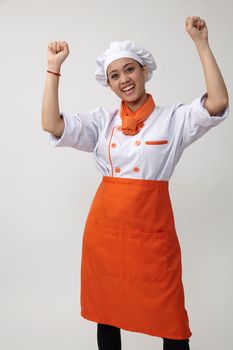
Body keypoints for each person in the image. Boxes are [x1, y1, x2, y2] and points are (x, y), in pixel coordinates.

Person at [41, 16, 229, 350]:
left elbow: (217, 103)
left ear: (144, 71)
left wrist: (201, 44)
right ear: (109, 84)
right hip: (106, 235)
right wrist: (54, 69)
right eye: (115, 75)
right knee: (108, 311)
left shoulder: (173, 119)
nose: (124, 80)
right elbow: (51, 124)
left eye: (129, 70)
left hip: (153, 236)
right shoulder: (103, 122)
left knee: (170, 319)